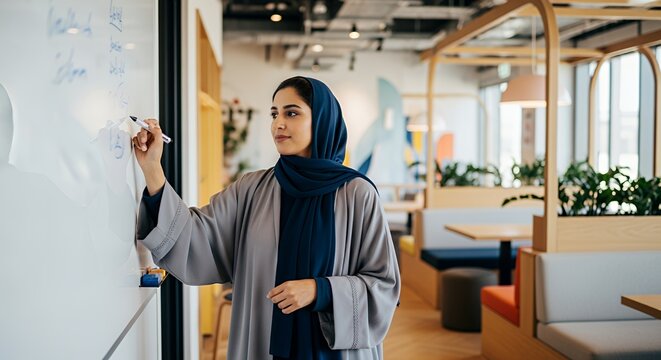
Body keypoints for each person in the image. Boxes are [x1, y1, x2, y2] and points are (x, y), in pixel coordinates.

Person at [132, 76, 400, 359]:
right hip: (265, 344)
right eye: (274, 114)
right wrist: (153, 171)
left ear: (321, 120)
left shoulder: (357, 194)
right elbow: (196, 235)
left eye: (291, 113)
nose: (278, 123)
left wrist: (320, 290)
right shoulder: (252, 190)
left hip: (332, 350)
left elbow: (382, 285)